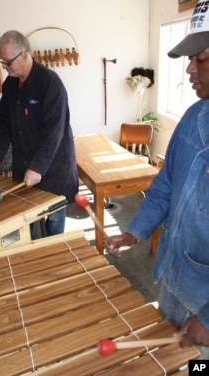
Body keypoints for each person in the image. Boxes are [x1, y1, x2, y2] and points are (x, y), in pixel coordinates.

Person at [106, 0, 209, 359]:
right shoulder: (194, 116)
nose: (190, 70)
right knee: (172, 363)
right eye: (189, 59)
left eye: (202, 59)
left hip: (206, 299)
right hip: (174, 276)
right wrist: (135, 230)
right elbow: (166, 183)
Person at [0, 30, 78, 237]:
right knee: (29, 220)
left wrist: (37, 167)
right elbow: (3, 122)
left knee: (53, 222)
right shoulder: (10, 84)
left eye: (7, 62)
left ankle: (54, 256)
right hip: (24, 164)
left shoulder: (50, 83)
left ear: (24, 55)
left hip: (53, 167)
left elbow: (54, 132)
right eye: (2, 61)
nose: (4, 67)